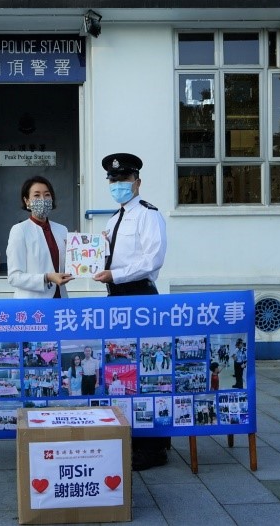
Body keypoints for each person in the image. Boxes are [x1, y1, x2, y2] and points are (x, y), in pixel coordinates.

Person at [93, 152, 168, 471]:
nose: (118, 184)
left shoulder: (148, 215)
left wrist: (116, 274)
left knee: (146, 374)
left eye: (124, 178)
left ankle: (154, 448)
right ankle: (133, 438)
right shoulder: (113, 220)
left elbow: (153, 260)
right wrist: (94, 253)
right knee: (122, 371)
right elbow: (107, 260)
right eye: (113, 179)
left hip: (140, 298)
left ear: (137, 181)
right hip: (117, 298)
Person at [6, 175, 74, 298]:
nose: (43, 199)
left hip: (60, 300)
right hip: (33, 303)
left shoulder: (62, 230)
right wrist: (46, 277)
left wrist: (89, 247)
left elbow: (71, 267)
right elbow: (14, 277)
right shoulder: (19, 230)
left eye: (47, 195)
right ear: (27, 201)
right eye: (37, 195)